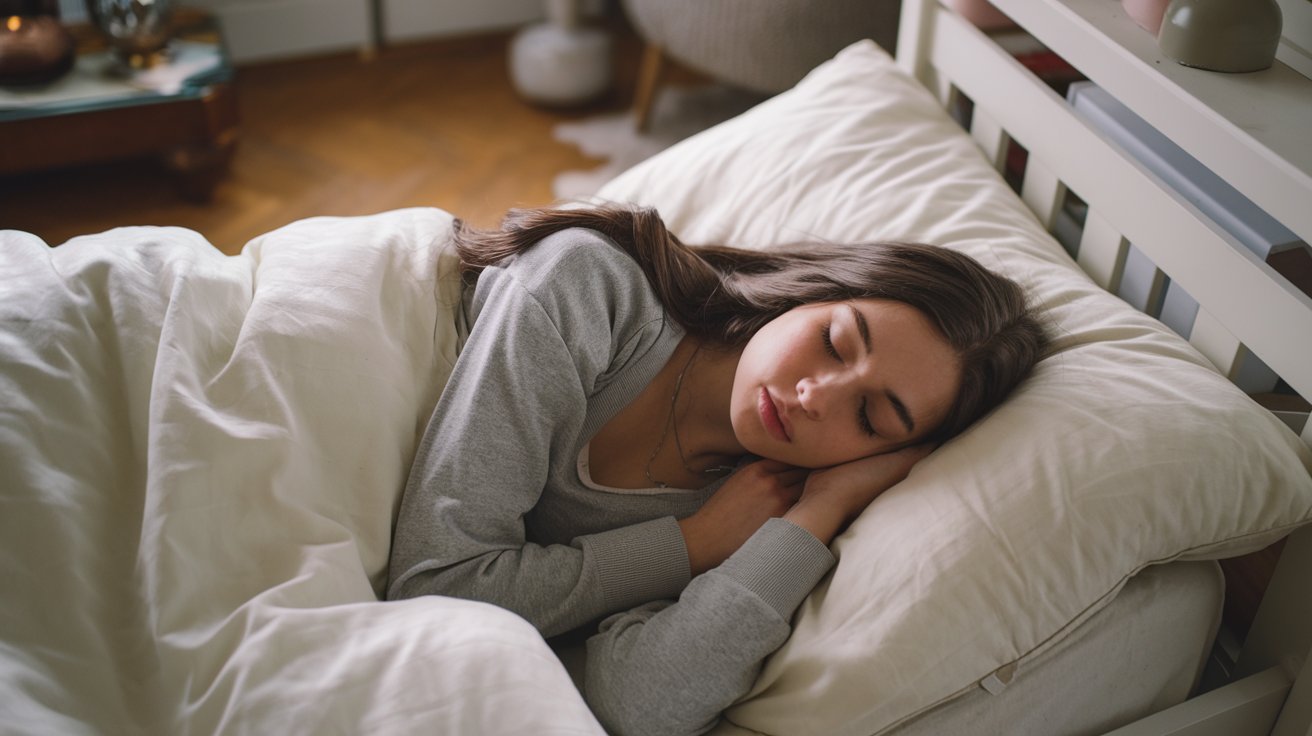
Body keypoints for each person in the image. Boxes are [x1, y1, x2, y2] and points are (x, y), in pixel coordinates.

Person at [386, 203, 1047, 736]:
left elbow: (640, 708)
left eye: (870, 418)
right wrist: (691, 545)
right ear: (811, 296)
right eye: (834, 342)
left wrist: (817, 516)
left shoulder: (756, 501)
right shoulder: (592, 287)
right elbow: (435, 593)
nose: (816, 396)